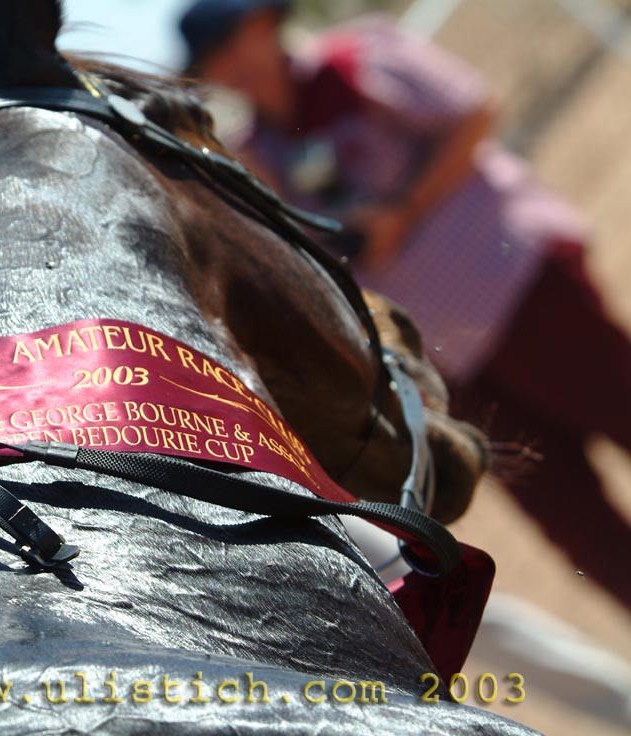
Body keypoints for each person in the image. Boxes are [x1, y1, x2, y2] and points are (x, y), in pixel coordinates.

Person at [178, 0, 631, 609]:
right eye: (214, 62)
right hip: (448, 366)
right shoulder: (253, 156)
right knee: (576, 525)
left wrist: (405, 208)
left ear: (267, 26)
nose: (231, 69)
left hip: (520, 292)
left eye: (232, 46)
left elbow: (473, 112)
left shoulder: (361, 58)